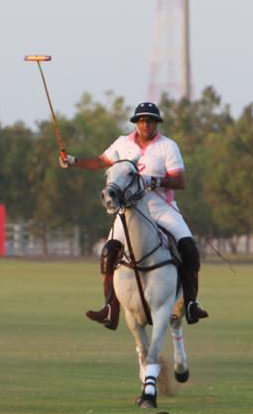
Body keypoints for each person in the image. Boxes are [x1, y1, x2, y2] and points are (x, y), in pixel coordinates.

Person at [61, 101, 209, 328]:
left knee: (189, 247)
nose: (145, 125)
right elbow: (102, 161)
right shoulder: (123, 143)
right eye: (141, 120)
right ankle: (110, 308)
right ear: (136, 123)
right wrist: (73, 161)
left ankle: (190, 303)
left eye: (150, 121)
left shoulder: (168, 146)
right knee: (109, 251)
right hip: (131, 210)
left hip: (161, 207)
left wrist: (155, 180)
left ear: (156, 123)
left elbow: (180, 181)